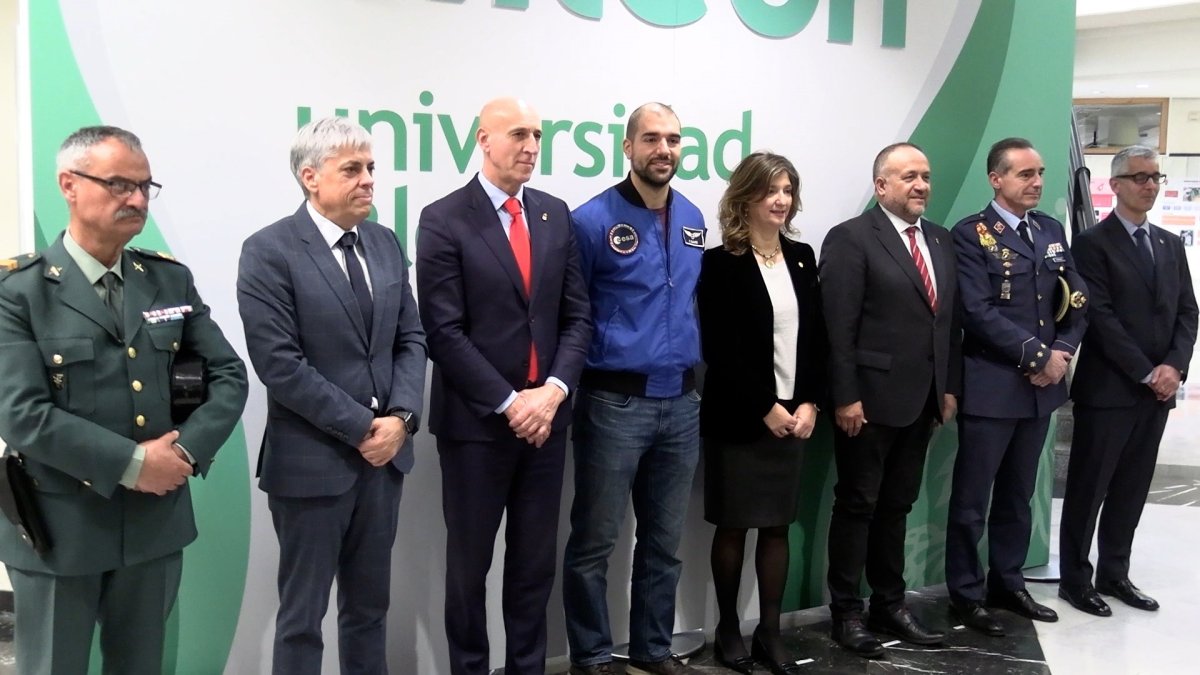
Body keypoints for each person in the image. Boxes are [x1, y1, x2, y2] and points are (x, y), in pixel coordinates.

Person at [0, 125, 248, 674]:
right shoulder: (17, 292)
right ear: (69, 184)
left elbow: (227, 375)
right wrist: (133, 464)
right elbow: (21, 414)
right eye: (118, 184)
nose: (136, 199)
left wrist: (183, 454)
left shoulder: (166, 281)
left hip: (153, 527)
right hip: (60, 527)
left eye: (144, 186)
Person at [237, 117, 428, 674]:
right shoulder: (269, 250)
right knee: (302, 618)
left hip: (384, 462)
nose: (369, 179)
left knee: (369, 610)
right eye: (353, 169)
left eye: (370, 168)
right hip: (312, 465)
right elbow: (279, 364)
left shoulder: (385, 243)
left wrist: (402, 419)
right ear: (310, 177)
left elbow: (410, 338)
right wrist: (363, 427)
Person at [416, 97, 591, 675]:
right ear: (482, 141)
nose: (531, 146)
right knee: (469, 568)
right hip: (477, 427)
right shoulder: (444, 218)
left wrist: (556, 389)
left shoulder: (554, 213)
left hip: (549, 423)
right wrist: (512, 402)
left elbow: (576, 317)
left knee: (534, 565)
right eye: (518, 133)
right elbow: (443, 331)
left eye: (538, 135)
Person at [562, 102, 704, 675]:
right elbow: (571, 313)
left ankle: (652, 650)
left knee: (664, 545)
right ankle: (593, 656)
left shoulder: (693, 217)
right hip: (613, 403)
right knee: (594, 543)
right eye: (651, 139)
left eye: (672, 139)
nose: (663, 149)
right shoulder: (591, 220)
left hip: (682, 403)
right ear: (627, 147)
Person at [818, 142, 960, 658]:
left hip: (923, 402)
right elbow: (838, 327)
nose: (921, 185)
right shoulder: (852, 238)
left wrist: (948, 387)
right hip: (868, 403)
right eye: (908, 177)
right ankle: (847, 613)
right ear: (882, 186)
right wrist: (846, 396)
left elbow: (949, 325)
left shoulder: (941, 241)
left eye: (925, 175)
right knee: (857, 505)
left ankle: (890, 603)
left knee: (897, 506)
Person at [945, 137, 1087, 634]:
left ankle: (1008, 581)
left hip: (1040, 389)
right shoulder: (971, 234)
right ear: (996, 179)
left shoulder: (1049, 229)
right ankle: (965, 592)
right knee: (971, 500)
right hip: (991, 388)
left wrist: (1062, 353)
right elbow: (977, 311)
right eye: (1025, 174)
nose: (1038, 182)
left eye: (1040, 173)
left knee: (1019, 494)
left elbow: (1077, 295)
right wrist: (1039, 356)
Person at [697, 152, 826, 675]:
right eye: (771, 190)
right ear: (745, 196)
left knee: (777, 528)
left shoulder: (802, 256)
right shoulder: (720, 262)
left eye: (788, 190)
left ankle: (769, 632)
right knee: (734, 527)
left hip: (796, 416)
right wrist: (765, 408)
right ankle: (729, 628)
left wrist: (811, 400)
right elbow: (720, 349)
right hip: (740, 418)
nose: (781, 200)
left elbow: (816, 337)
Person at [1059, 145, 1198, 617]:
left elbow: (1187, 312)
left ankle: (1115, 573)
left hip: (1156, 395)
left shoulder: (1168, 243)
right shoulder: (1092, 244)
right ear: (1115, 185)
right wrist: (1145, 370)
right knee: (1088, 487)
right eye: (1140, 177)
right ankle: (1075, 579)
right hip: (1110, 391)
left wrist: (1174, 368)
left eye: (1155, 177)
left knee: (1133, 488)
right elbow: (1099, 316)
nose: (1150, 185)